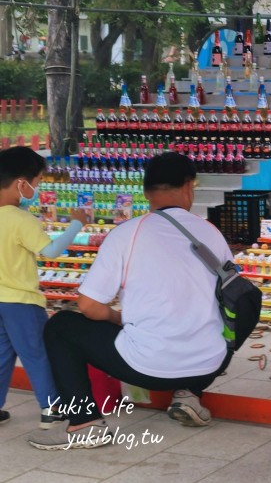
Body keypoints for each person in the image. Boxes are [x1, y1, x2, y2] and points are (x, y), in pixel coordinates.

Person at [28, 152, 233, 450]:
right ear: (189, 186)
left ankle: (84, 423)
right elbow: (230, 296)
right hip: (209, 363)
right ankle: (188, 394)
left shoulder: (127, 233)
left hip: (146, 366)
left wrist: (117, 319)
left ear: (145, 192)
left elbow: (88, 305)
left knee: (61, 326)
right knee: (209, 317)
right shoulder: (211, 233)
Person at [0, 147, 87, 428]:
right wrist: (76, 224)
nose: (36, 189)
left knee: (2, 356)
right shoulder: (21, 220)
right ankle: (51, 408)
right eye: (36, 183)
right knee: (37, 353)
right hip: (22, 302)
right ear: (20, 184)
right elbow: (51, 251)